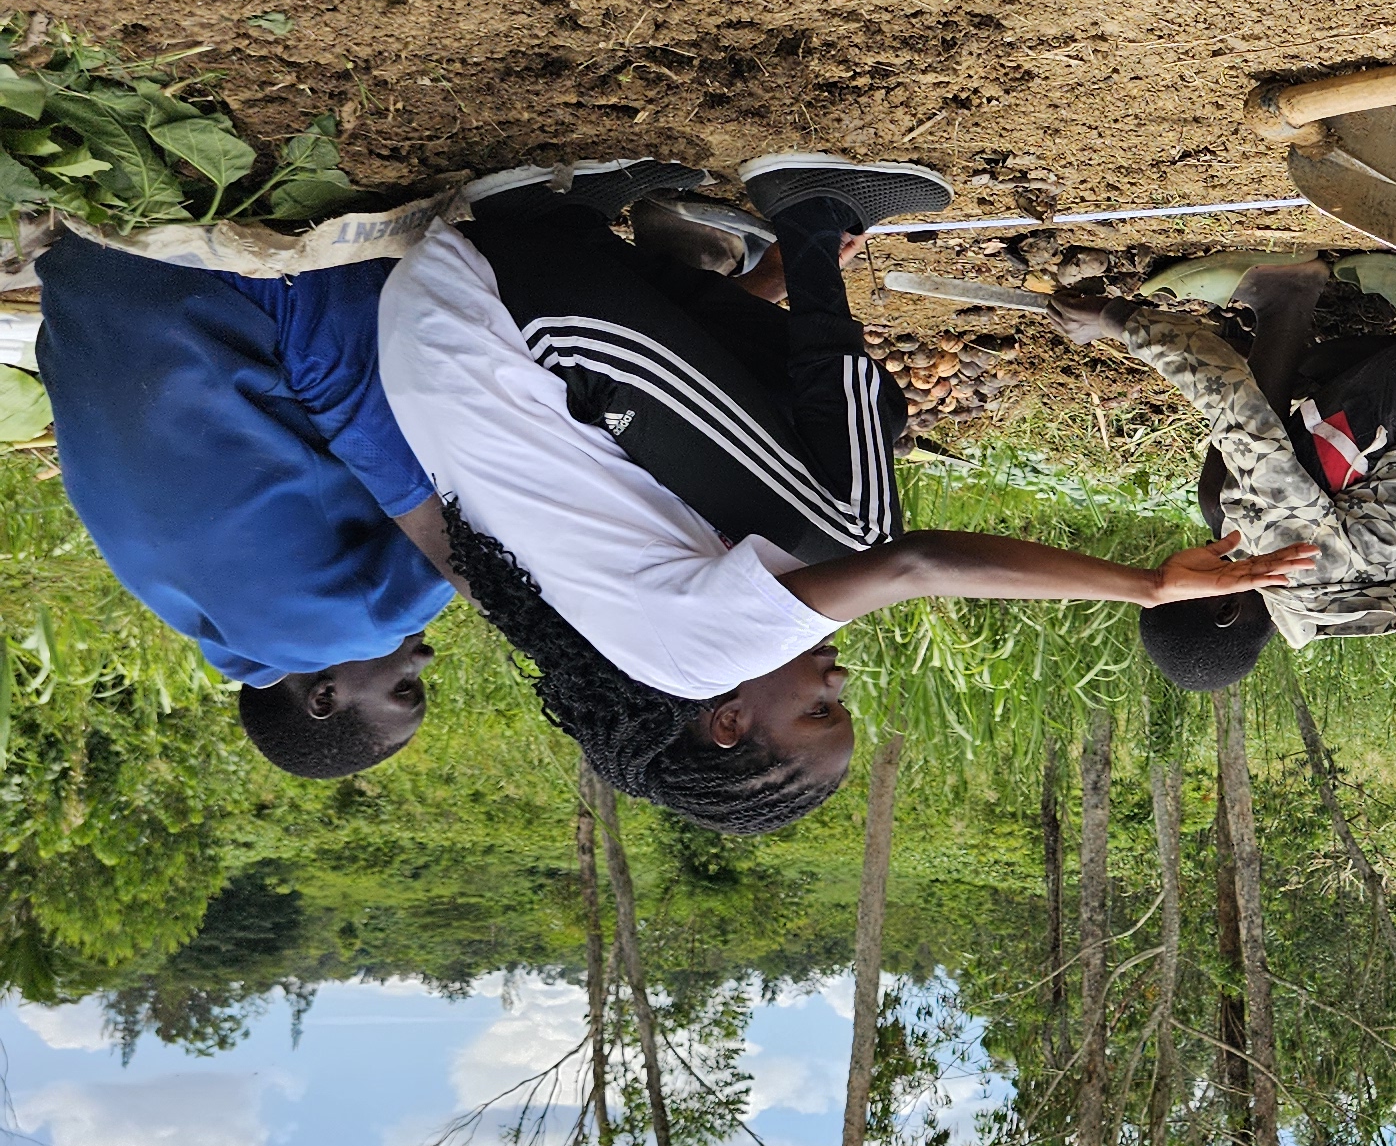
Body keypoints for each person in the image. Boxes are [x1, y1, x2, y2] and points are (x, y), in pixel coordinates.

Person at [381, 154, 1306, 829]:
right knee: (854, 453)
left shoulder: (700, 661)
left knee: (849, 526)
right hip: (450, 315)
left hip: (499, 301)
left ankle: (811, 208)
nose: (838, 679)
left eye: (819, 710)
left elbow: (912, 562)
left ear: (729, 723)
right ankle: (570, 215)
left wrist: (1146, 586)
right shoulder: (634, 645)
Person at [35, 230, 450, 779]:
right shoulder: (188, 610)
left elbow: (482, 546)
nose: (423, 661)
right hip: (85, 272)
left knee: (450, 489)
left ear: (324, 697)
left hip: (226, 279)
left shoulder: (359, 626)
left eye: (404, 689)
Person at [1046, 260, 1396, 688]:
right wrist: (1116, 319)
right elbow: (1243, 418)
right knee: (1227, 496)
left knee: (1265, 481)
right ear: (1227, 608)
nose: (1181, 558)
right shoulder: (1284, 565)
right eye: (1178, 577)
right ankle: (1286, 295)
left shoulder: (1332, 612)